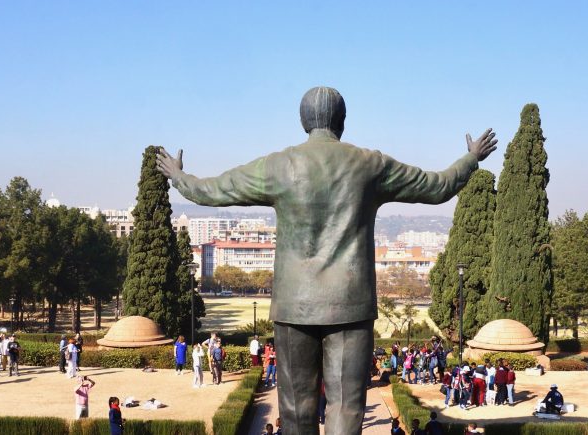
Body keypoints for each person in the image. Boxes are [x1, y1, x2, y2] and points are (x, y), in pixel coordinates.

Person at [156, 86, 498, 434]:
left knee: (295, 409)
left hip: (293, 305)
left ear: (303, 122)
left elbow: (213, 191)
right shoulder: (371, 164)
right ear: (343, 121)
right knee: (346, 407)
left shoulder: (278, 165)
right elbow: (437, 187)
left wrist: (179, 177)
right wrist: (471, 158)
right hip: (350, 304)